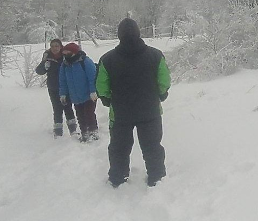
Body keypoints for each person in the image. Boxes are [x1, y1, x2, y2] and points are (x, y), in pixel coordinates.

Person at [96, 17, 171, 187]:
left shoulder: (107, 59)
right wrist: (161, 94)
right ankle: (157, 177)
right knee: (152, 146)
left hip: (121, 113)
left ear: (119, 35)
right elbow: (164, 80)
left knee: (119, 148)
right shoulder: (155, 55)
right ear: (138, 33)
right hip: (150, 111)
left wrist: (107, 99)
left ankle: (118, 178)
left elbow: (101, 85)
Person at [35, 38, 78, 138]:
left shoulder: (65, 56)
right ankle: (58, 131)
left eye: (57, 46)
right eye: (52, 46)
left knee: (68, 107)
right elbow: (39, 71)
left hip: (66, 87)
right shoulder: (47, 57)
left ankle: (73, 130)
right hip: (53, 87)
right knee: (57, 108)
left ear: (60, 46)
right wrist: (44, 64)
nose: (55, 48)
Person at [58, 42, 99, 142]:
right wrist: (63, 94)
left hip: (88, 95)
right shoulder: (64, 65)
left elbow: (92, 77)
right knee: (80, 115)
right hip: (75, 96)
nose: (65, 54)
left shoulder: (85, 62)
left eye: (67, 52)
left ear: (74, 52)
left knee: (89, 113)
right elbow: (62, 81)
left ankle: (93, 131)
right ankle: (84, 132)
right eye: (64, 52)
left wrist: (93, 91)